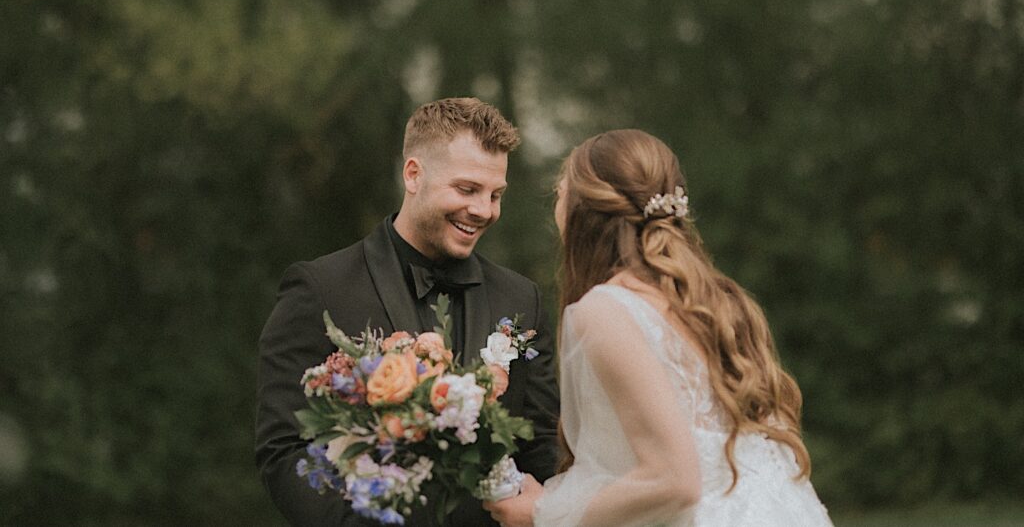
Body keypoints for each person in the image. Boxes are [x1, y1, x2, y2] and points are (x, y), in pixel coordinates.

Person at [485, 129, 832, 527]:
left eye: (561, 193)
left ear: (586, 210)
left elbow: (675, 481)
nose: (556, 206)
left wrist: (543, 512)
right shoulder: (713, 300)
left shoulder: (604, 311)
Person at [256, 97, 560, 526]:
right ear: (413, 174)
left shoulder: (520, 300)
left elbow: (542, 446)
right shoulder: (321, 289)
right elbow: (285, 449)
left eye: (496, 195)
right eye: (467, 189)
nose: (484, 210)